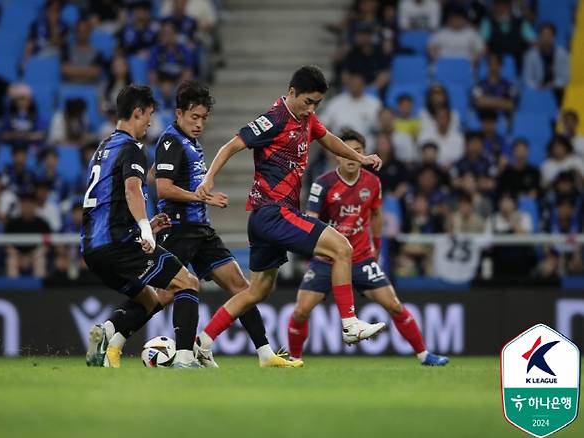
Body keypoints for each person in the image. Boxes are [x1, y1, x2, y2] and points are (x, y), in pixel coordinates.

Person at [193, 66, 386, 361]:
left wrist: (360, 158)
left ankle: (203, 341)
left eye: (317, 104)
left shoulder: (306, 119)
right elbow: (232, 145)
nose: (312, 109)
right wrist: (208, 178)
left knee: (257, 291)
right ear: (292, 92)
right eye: (308, 102)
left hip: (265, 218)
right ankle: (349, 323)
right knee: (341, 247)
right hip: (273, 212)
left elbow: (329, 139)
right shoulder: (274, 119)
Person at [154, 80, 295, 368]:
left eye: (204, 119)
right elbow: (163, 188)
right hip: (178, 229)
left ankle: (265, 353)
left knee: (240, 287)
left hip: (201, 231)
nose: (199, 124)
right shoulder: (169, 141)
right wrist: (201, 197)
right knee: (163, 294)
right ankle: (114, 332)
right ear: (179, 113)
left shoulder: (191, 143)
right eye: (194, 117)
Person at [287, 130, 448, 366]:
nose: (353, 157)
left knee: (394, 305)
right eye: (347, 152)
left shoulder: (373, 182)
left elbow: (376, 215)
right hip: (327, 259)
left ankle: (424, 355)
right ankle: (294, 359)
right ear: (338, 156)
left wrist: (378, 246)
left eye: (358, 152)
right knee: (301, 311)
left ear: (363, 154)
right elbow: (310, 220)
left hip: (361, 258)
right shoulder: (323, 184)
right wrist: (318, 249)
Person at [81, 84, 202, 368]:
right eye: (149, 115)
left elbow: (106, 204)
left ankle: (107, 333)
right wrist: (145, 231)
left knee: (150, 299)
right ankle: (185, 358)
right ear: (138, 112)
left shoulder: (102, 149)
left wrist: (144, 226)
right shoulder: (132, 147)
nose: (150, 122)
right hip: (118, 243)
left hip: (92, 248)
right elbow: (132, 190)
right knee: (188, 283)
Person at [522, 23, 570, 104]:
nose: (546, 37)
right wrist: (536, 86)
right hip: (537, 90)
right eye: (543, 34)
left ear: (554, 37)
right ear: (539, 36)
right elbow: (527, 78)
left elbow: (565, 77)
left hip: (557, 90)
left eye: (549, 35)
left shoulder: (562, 53)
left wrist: (552, 84)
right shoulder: (530, 55)